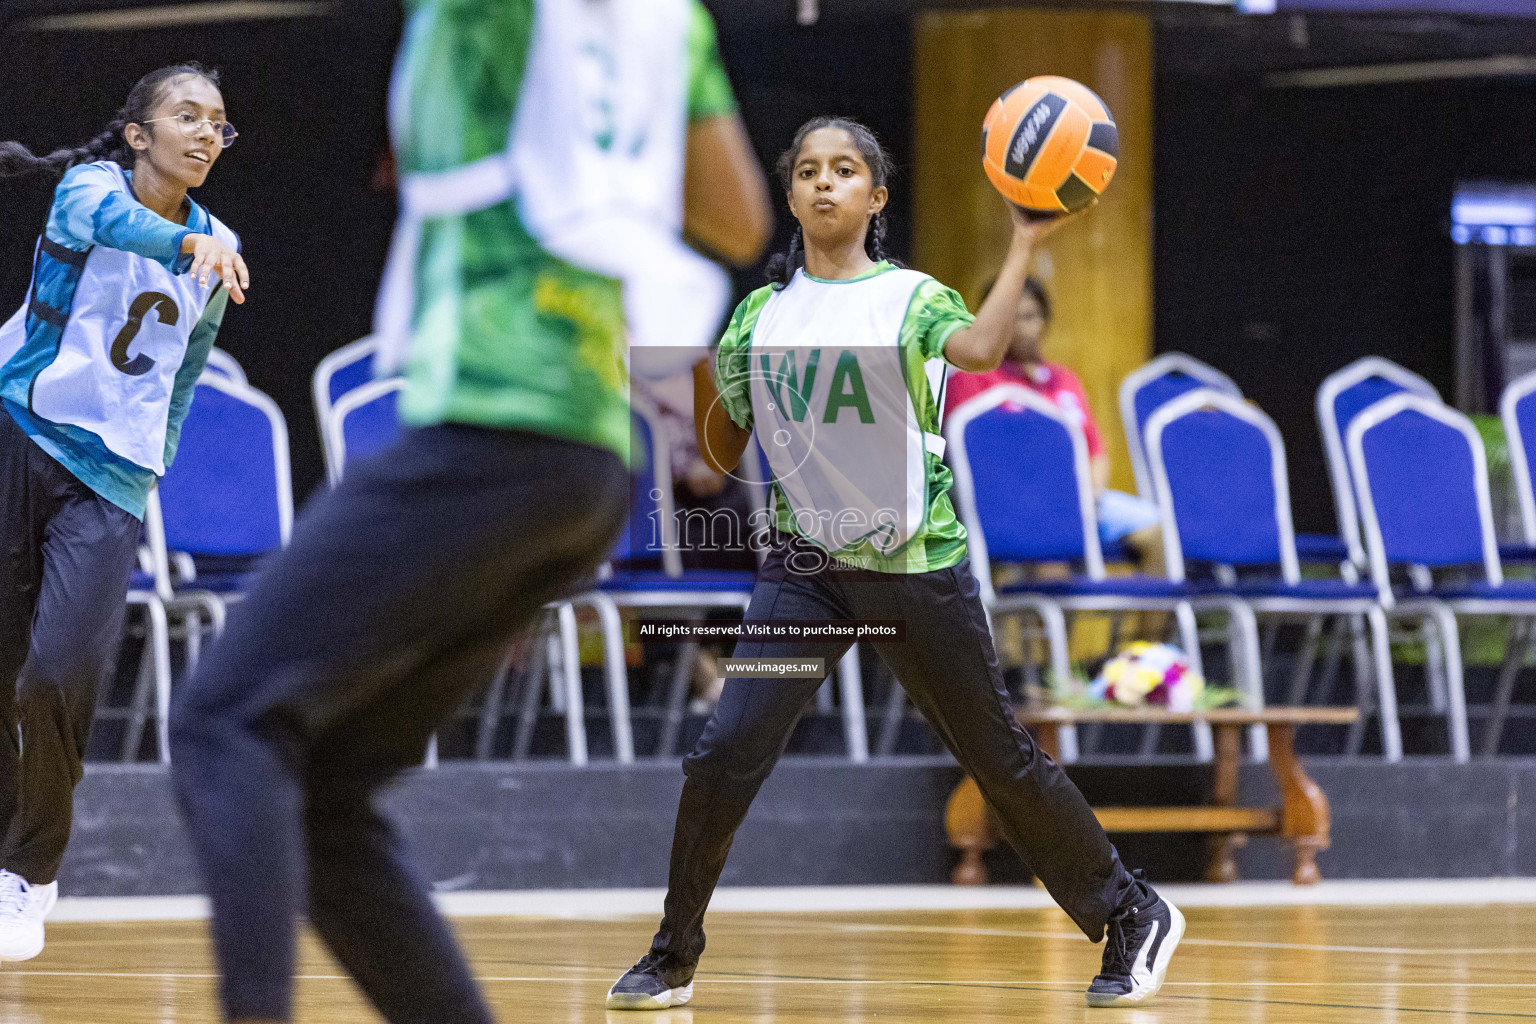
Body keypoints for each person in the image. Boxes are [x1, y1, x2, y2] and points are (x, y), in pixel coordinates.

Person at [168, 2, 770, 1022]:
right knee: (324, 787)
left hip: (494, 421)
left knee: (227, 719)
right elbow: (740, 216)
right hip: (592, 454)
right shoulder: (669, 20)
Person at [607, 116, 1183, 1013]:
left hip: (914, 565)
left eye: (845, 171)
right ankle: (673, 953)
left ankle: (1131, 910)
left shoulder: (912, 299)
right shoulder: (760, 315)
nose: (824, 184)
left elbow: (984, 351)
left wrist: (1026, 235)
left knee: (994, 755)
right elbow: (718, 436)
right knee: (724, 752)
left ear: (875, 199)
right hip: (805, 570)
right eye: (807, 171)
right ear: (791, 195)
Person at [0, 63, 245, 963]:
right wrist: (187, 248)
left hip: (110, 479)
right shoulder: (88, 189)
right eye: (187, 116)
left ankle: (31, 874)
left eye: (219, 123)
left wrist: (155, 462)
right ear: (139, 134)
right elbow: (113, 227)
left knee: (55, 673)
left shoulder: (219, 247)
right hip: (21, 432)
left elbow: (184, 374)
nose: (207, 133)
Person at [946, 276, 1165, 576]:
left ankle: (1154, 625)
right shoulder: (970, 379)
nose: (1020, 327)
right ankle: (1035, 621)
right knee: (1051, 541)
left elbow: (1095, 450)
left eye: (1029, 316)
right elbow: (970, 459)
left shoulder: (1065, 380)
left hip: (1082, 502)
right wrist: (1047, 496)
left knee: (1164, 532)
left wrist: (1092, 491)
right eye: (1009, 317)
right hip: (1015, 504)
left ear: (1044, 319)